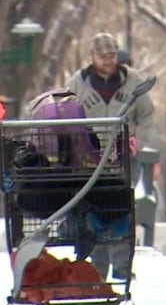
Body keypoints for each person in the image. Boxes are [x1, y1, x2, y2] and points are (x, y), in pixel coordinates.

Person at [65, 33, 156, 281]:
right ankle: (97, 267)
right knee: (93, 210)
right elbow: (67, 114)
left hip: (125, 158)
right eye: (103, 56)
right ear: (93, 57)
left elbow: (147, 115)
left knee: (121, 208)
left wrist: (137, 140)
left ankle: (122, 265)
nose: (108, 61)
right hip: (90, 160)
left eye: (112, 56)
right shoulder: (78, 83)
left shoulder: (133, 81)